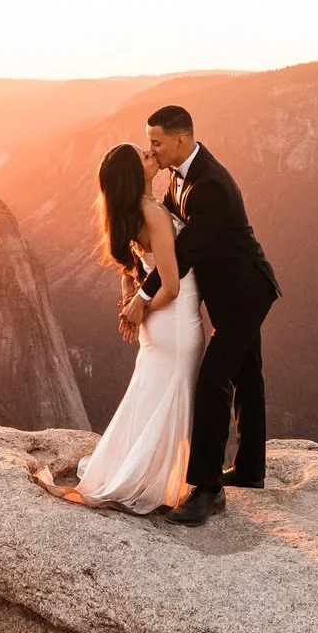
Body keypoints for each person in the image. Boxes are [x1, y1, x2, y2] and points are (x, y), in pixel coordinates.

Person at [137, 105, 279, 525]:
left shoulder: (211, 184)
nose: (152, 149)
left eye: (157, 142)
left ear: (181, 140)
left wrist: (143, 297)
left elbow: (183, 253)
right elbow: (160, 228)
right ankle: (252, 469)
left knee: (214, 380)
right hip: (235, 293)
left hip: (245, 294)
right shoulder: (179, 179)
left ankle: (207, 489)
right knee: (247, 375)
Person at [47, 141, 206, 514]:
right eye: (146, 158)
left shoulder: (128, 214)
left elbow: (131, 271)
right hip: (176, 321)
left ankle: (133, 470)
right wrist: (143, 309)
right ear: (135, 175)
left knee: (148, 398)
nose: (153, 157)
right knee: (168, 399)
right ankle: (151, 481)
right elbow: (171, 285)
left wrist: (133, 303)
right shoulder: (154, 213)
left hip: (158, 325)